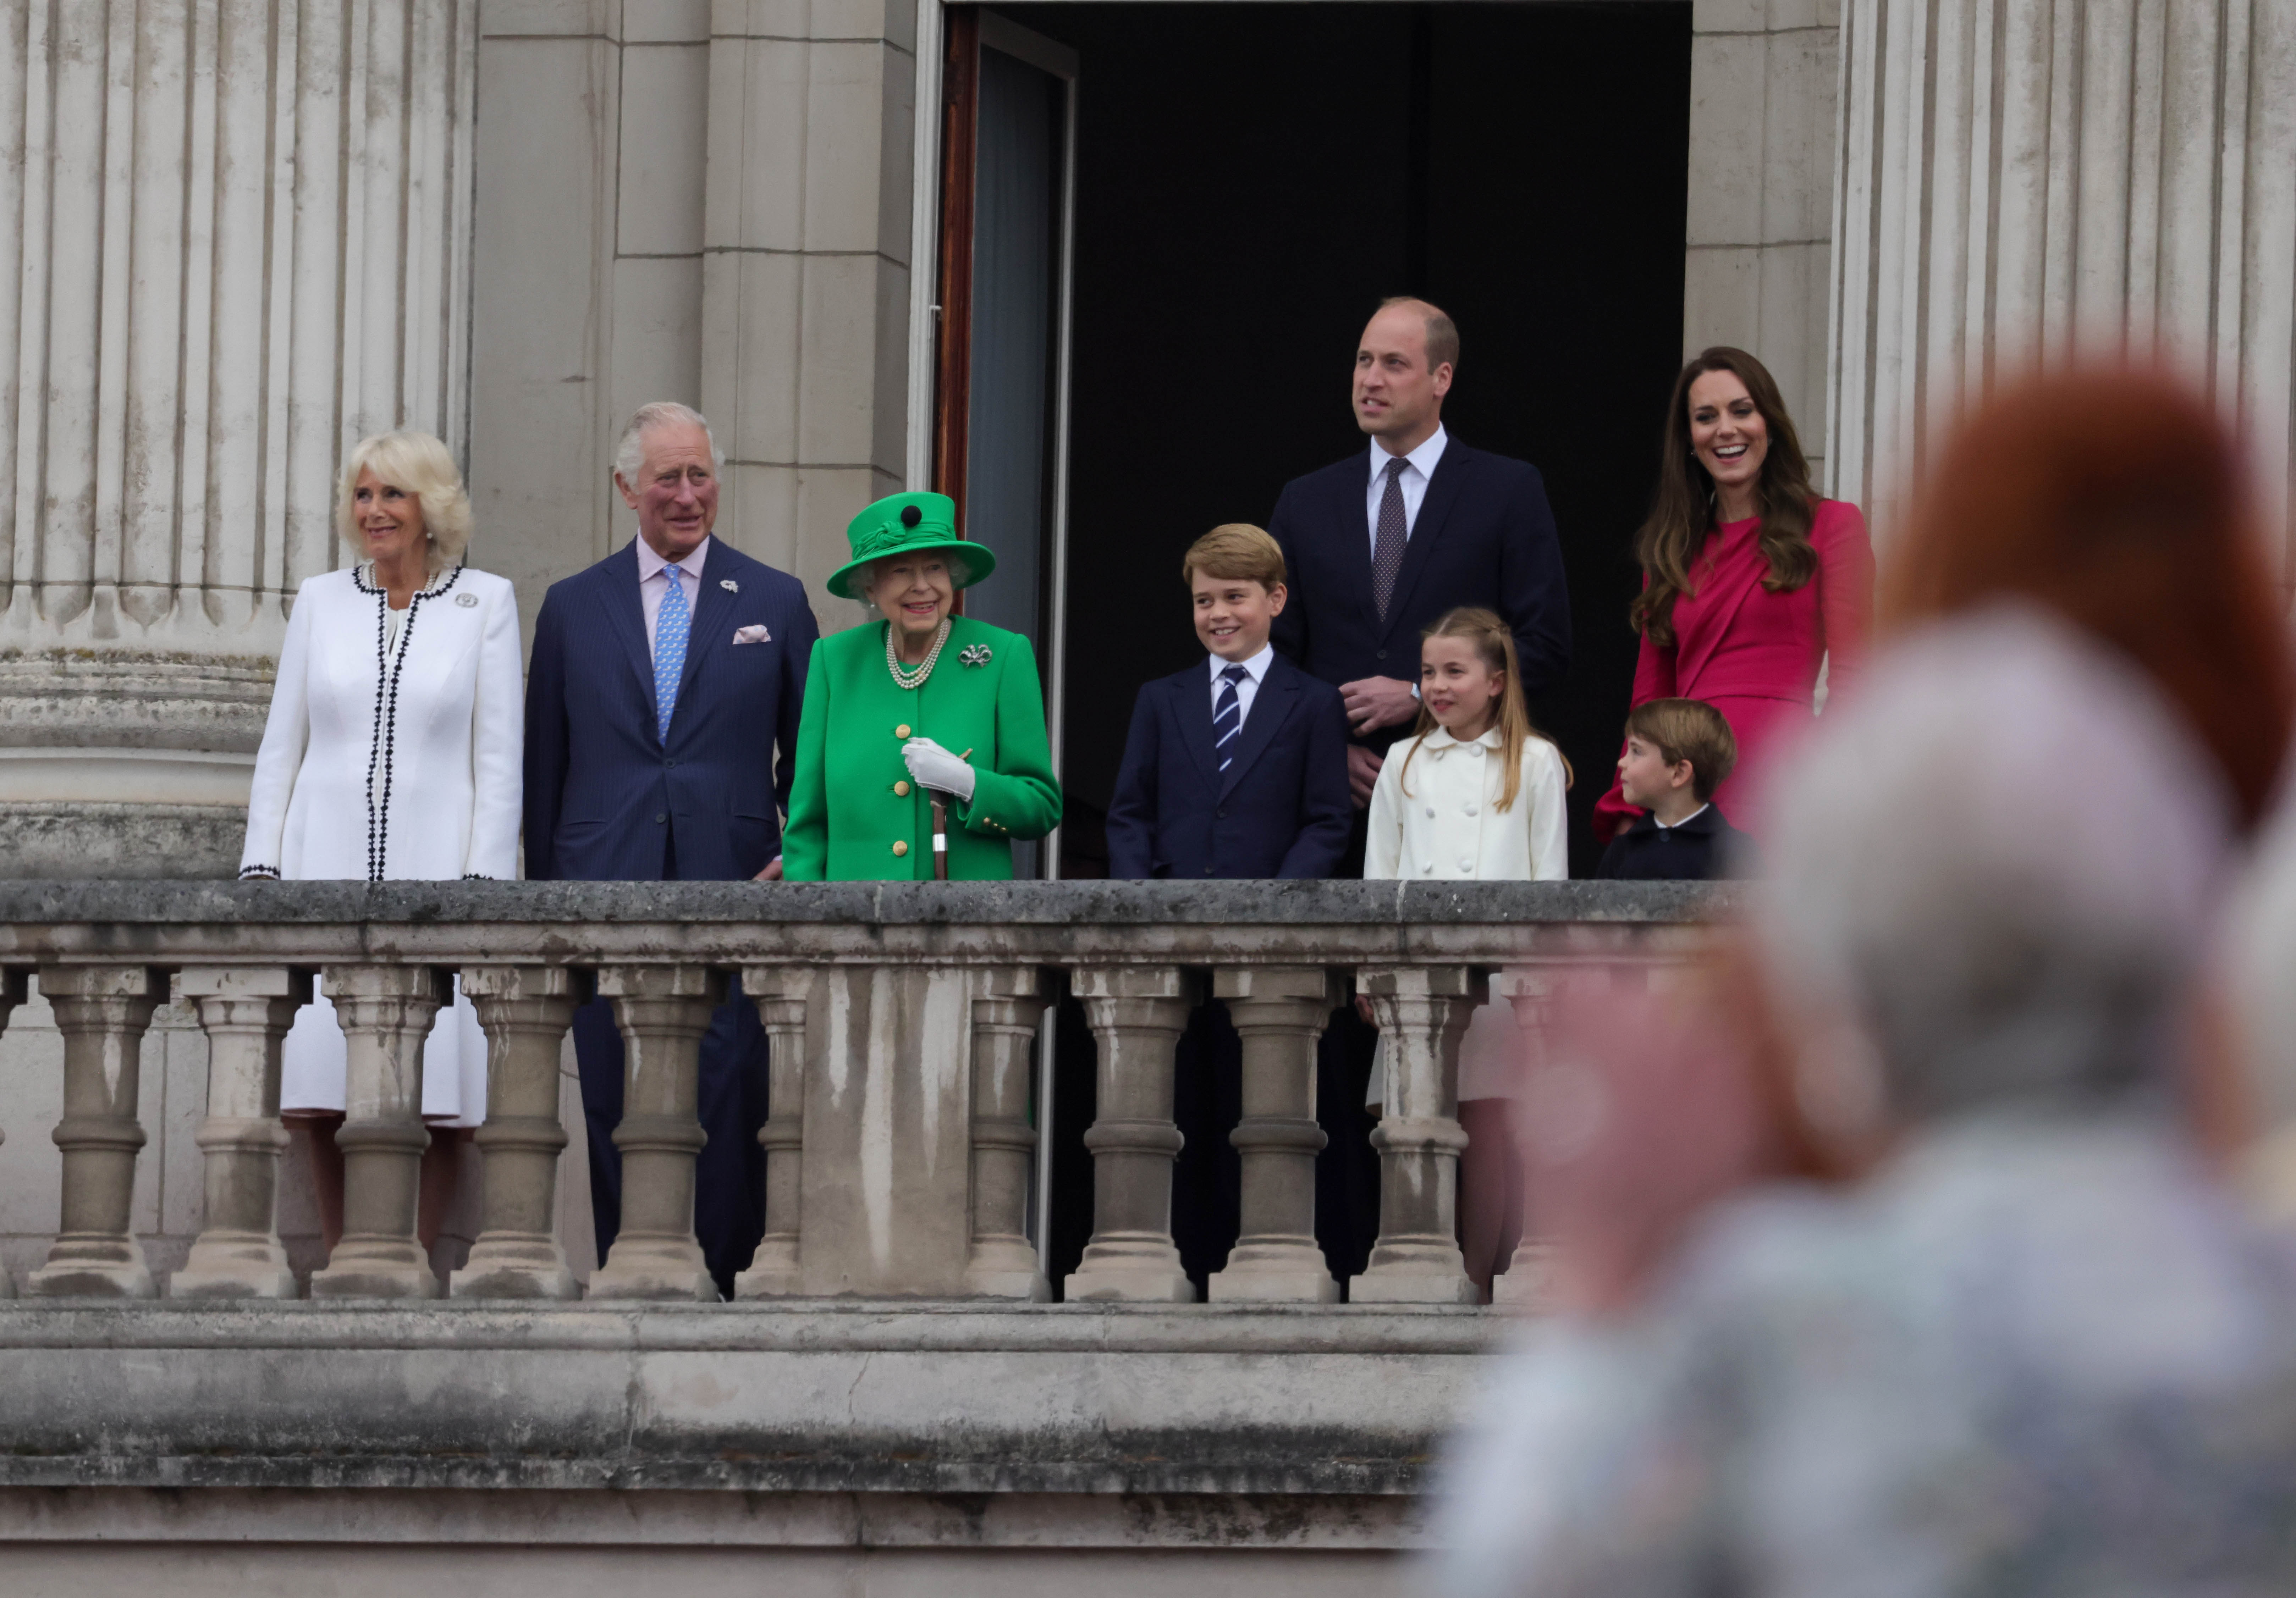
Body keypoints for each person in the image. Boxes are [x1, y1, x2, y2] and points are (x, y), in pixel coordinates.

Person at [523, 400, 820, 1298]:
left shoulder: (773, 599)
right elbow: (545, 764)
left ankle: (721, 1288)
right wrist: (547, 898)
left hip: (734, 890)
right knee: (617, 1097)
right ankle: (628, 1280)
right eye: (667, 478)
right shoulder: (574, 606)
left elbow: (809, 755)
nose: (687, 495)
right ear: (627, 488)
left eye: (700, 475)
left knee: (729, 1099)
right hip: (601, 887)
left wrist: (798, 855)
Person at [238, 430, 521, 1263]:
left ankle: (412, 1262)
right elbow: (281, 745)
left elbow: (498, 754)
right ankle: (339, 1258)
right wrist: (262, 865)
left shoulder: (487, 602)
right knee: (322, 1088)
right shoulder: (321, 599)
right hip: (321, 862)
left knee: (435, 1089)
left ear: (430, 508)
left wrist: (486, 883)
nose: (374, 512)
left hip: (443, 869)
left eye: (392, 495)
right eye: (363, 495)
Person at [1268, 298, 1570, 834]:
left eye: (1393, 363)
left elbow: (1542, 644)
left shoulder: (1506, 491)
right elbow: (1272, 658)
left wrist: (1416, 693)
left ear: (1441, 378)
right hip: (1332, 811)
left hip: (1467, 803)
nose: (1370, 380)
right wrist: (1322, 752)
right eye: (1363, 361)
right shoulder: (1304, 500)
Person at [1362, 607, 1568, 1296]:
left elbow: (1550, 880)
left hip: (1505, 977)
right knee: (1415, 1120)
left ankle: (1484, 1272)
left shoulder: (1534, 760)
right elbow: (1379, 872)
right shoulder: (1403, 758)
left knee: (1490, 1128)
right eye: (1427, 672)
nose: (1438, 685)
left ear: (1497, 680)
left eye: (1454, 670)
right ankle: (1420, 1264)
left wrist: (1543, 979)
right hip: (1418, 971)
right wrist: (1370, 971)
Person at [1592, 347, 1874, 842]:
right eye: (1705, 417)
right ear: (1688, 440)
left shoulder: (1831, 524)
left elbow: (1856, 678)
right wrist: (1628, 800)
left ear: (1769, 423)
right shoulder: (1669, 550)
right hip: (1687, 788)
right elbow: (1650, 698)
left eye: (1741, 411)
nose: (1725, 429)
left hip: (1783, 783)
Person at [782, 491, 1059, 881]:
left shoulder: (1002, 655)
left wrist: (970, 783)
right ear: (870, 588)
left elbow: (1041, 806)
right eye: (900, 571)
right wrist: (808, 924)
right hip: (852, 921)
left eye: (935, 568)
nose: (922, 586)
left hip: (965, 924)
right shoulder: (835, 661)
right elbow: (807, 823)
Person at [1105, 524, 1352, 880]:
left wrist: (1280, 901)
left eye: (1235, 597)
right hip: (1168, 909)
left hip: (1272, 913)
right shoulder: (1159, 699)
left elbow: (1327, 821)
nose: (1218, 613)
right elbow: (1130, 814)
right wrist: (1136, 899)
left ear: (1276, 600)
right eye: (1204, 600)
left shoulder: (1316, 702)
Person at [1595, 698, 1752, 880]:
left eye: (1636, 752)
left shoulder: (1737, 853)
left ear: (1679, 773)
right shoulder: (1622, 850)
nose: (1622, 762)